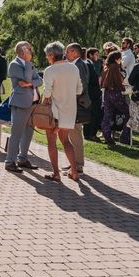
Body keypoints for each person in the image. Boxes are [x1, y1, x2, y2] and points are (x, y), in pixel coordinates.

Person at [41, 41, 82, 182]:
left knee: (51, 141)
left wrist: (41, 106)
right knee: (66, 141)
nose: (47, 57)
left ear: (52, 55)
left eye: (47, 55)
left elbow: (47, 93)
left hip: (54, 111)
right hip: (70, 109)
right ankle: (74, 171)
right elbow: (79, 90)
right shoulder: (74, 68)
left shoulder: (50, 70)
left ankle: (56, 173)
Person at [5, 41, 42, 173]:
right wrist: (27, 64)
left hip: (33, 103)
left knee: (28, 132)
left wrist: (29, 83)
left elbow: (40, 80)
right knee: (17, 133)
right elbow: (26, 79)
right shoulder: (15, 64)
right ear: (22, 50)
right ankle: (10, 161)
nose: (31, 50)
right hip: (20, 103)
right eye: (29, 48)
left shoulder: (29, 64)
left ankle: (23, 158)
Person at [63, 43, 91, 175]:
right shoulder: (75, 64)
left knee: (75, 134)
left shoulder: (79, 65)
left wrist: (70, 98)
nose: (65, 54)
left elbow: (82, 86)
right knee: (71, 134)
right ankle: (73, 163)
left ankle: (78, 165)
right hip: (73, 104)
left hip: (76, 105)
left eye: (67, 51)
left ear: (75, 52)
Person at [101, 51, 130, 146]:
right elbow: (118, 81)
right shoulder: (115, 67)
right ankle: (124, 137)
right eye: (120, 58)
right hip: (116, 93)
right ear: (116, 59)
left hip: (107, 93)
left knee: (107, 115)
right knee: (128, 113)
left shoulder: (106, 67)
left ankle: (107, 136)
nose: (121, 60)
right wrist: (123, 87)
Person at [84, 47, 103, 141]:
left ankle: (88, 134)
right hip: (92, 94)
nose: (97, 56)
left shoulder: (90, 64)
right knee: (94, 114)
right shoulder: (88, 64)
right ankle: (91, 134)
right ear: (90, 55)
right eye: (96, 54)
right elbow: (90, 80)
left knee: (91, 114)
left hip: (92, 93)